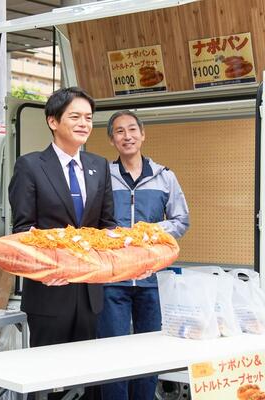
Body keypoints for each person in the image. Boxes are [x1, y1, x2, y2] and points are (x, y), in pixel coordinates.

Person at [9, 87, 115, 399]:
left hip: (89, 291)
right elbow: (23, 231)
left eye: (88, 118)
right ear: (53, 121)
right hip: (48, 291)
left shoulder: (99, 166)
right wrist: (45, 270)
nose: (84, 123)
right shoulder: (30, 165)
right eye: (75, 116)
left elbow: (107, 225)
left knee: (87, 379)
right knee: (48, 380)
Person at [97, 111, 190, 400]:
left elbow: (181, 220)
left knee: (149, 353)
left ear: (143, 134)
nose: (127, 136)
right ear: (112, 140)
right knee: (113, 353)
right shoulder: (103, 177)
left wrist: (150, 231)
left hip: (152, 279)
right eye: (119, 131)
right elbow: (93, 224)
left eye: (132, 130)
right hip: (113, 279)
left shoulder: (165, 177)